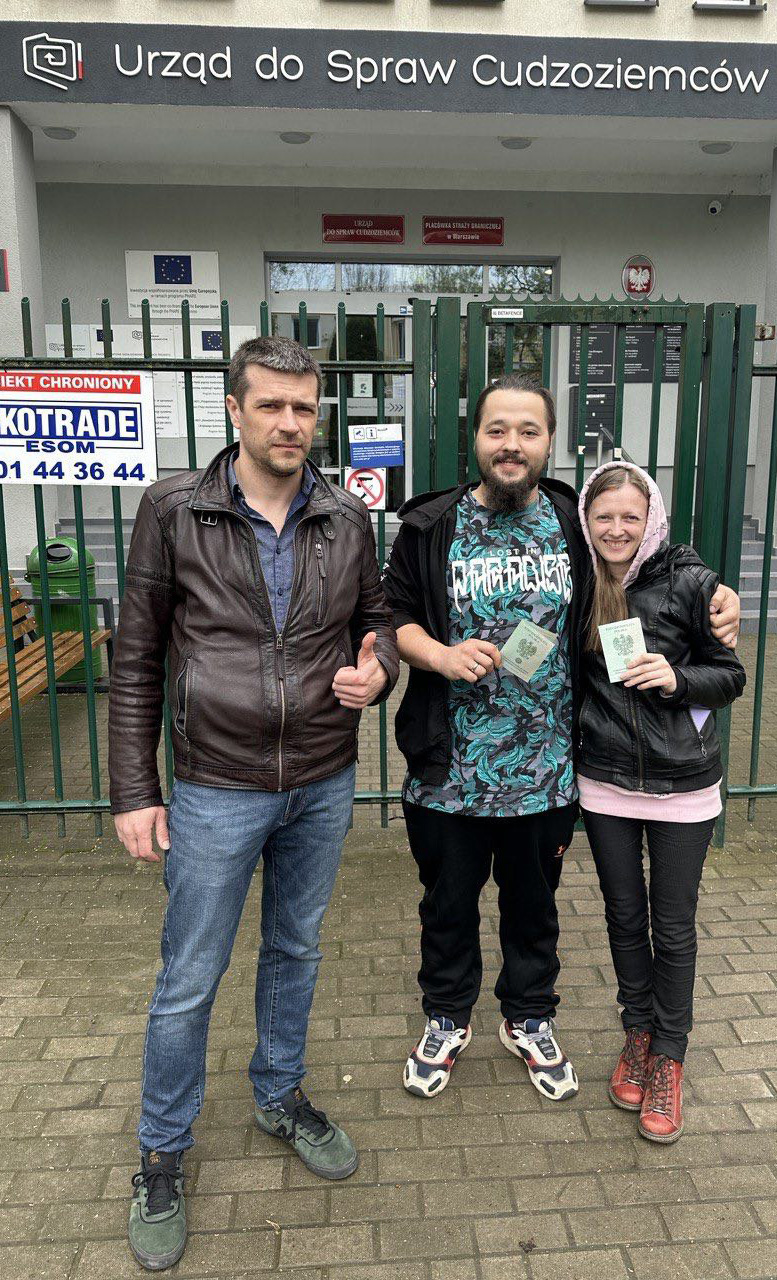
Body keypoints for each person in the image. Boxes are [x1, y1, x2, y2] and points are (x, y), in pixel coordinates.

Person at [108, 336, 399, 1271]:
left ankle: (278, 1095)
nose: (289, 423)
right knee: (190, 974)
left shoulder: (344, 516)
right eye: (270, 405)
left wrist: (378, 670)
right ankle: (162, 1150)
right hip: (214, 785)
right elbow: (135, 658)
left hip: (321, 776)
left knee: (296, 948)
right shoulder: (173, 509)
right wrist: (135, 790)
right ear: (233, 409)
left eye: (304, 408)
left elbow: (376, 622)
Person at [381, 372, 741, 1104]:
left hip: (547, 770)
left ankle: (529, 1018)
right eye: (497, 430)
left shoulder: (573, 520)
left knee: (533, 910)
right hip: (448, 769)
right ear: (475, 439)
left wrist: (716, 595)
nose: (511, 444)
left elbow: (645, 552)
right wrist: (440, 656)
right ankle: (446, 1017)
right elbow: (395, 617)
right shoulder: (429, 526)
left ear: (548, 441)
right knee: (445, 908)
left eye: (528, 431)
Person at [577, 461, 745, 1143]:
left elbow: (729, 676)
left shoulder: (692, 583)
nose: (616, 529)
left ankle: (669, 1056)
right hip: (604, 782)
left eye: (630, 516)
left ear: (651, 520)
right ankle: (638, 1034)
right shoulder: (578, 580)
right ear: (586, 520)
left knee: (672, 928)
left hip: (683, 785)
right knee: (623, 918)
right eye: (603, 516)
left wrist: (676, 678)